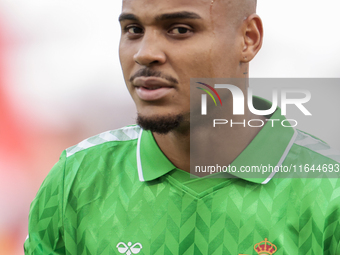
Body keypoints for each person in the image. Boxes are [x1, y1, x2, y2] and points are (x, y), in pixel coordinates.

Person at [24, 0, 340, 254]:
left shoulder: (329, 192)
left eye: (180, 29)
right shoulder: (77, 179)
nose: (144, 53)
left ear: (248, 39)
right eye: (133, 29)